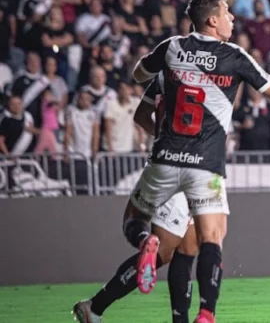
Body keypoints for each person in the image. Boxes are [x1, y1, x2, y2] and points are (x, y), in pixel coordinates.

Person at [120, 0, 270, 323]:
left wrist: (168, 72)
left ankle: (145, 241)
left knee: (135, 218)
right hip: (205, 164)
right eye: (227, 12)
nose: (232, 17)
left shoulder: (172, 47)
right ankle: (206, 313)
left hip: (164, 158)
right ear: (213, 20)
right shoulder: (234, 55)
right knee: (212, 239)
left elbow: (138, 75)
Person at [73, 74, 199, 323]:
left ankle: (95, 308)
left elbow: (141, 115)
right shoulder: (212, 78)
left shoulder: (164, 78)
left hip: (180, 167)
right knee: (164, 252)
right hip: (188, 168)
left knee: (185, 250)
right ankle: (95, 307)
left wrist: (161, 135)